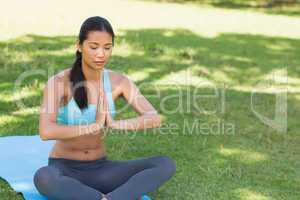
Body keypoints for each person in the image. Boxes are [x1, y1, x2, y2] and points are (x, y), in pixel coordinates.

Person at [33, 16, 176, 200]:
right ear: (79, 45)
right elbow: (46, 131)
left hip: (101, 170)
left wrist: (115, 124)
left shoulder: (118, 81)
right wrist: (93, 126)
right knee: (43, 178)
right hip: (64, 169)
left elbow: (153, 117)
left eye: (107, 48)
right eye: (94, 47)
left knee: (164, 164)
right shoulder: (59, 82)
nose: (101, 54)